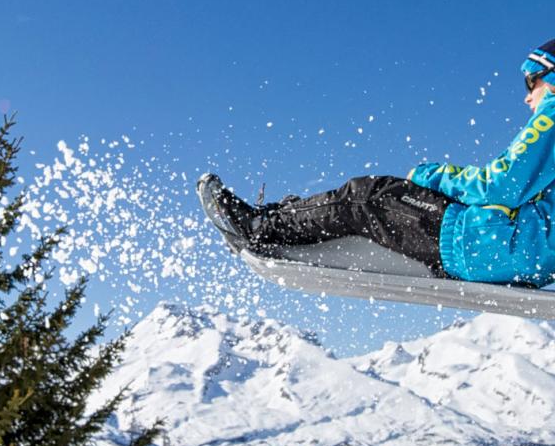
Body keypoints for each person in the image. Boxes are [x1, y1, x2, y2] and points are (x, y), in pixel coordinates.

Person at [198, 40, 555, 287]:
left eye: (531, 80)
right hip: (525, 261)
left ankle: (259, 225)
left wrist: (435, 176)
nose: (527, 95)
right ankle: (293, 214)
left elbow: (501, 184)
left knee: (369, 196)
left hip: (487, 244)